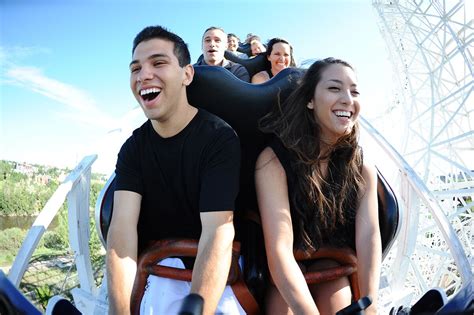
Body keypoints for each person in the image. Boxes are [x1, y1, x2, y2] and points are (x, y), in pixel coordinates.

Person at [106, 25, 244, 315]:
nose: (144, 75)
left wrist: (198, 309)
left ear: (187, 74)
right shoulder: (133, 149)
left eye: (158, 63)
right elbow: (122, 230)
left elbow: (217, 230)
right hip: (160, 269)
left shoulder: (219, 138)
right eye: (136, 68)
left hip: (214, 270)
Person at [255, 58, 381, 315]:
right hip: (285, 272)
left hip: (333, 267)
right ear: (310, 101)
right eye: (334, 88)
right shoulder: (273, 161)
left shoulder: (362, 168)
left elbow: (369, 237)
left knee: (337, 293)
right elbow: (279, 250)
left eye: (354, 91)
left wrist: (371, 305)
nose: (348, 99)